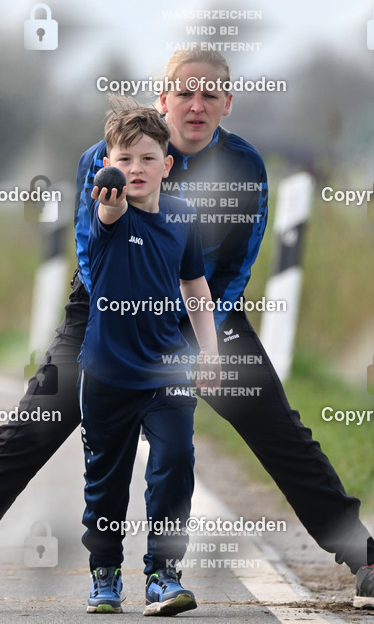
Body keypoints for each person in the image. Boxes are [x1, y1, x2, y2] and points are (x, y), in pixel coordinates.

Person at [0, 48, 374, 614]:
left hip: (202, 316)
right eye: (184, 92)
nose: (196, 106)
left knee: (281, 432)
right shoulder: (106, 158)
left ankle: (370, 564)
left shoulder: (245, 167)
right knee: (32, 428)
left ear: (227, 102)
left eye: (210, 95)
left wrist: (201, 344)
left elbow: (236, 269)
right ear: (163, 97)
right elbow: (94, 260)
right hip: (104, 317)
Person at [78, 101, 220, 615]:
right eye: (123, 158)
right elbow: (108, 209)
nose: (134, 168)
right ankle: (105, 573)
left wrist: (210, 350)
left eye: (146, 158)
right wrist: (109, 195)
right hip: (107, 372)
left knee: (176, 461)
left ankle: (163, 573)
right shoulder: (109, 213)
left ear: (167, 163)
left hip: (167, 369)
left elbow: (194, 284)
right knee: (106, 482)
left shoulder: (183, 216)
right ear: (108, 166)